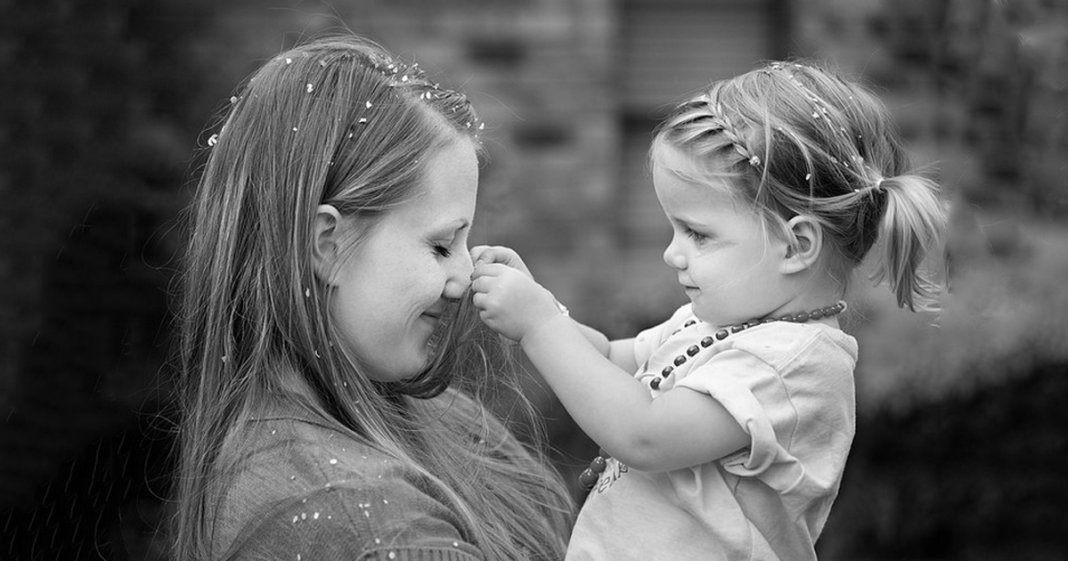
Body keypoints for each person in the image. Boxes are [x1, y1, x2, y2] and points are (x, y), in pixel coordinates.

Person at [470, 60, 947, 560]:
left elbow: (645, 434)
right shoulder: (720, 322)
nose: (672, 253)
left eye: (697, 233)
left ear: (795, 245)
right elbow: (612, 359)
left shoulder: (791, 364)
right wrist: (541, 306)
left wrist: (540, 327)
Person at [172, 35, 574, 561]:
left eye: (465, 243)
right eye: (440, 244)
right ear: (327, 245)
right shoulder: (350, 512)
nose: (465, 276)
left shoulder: (416, 413)